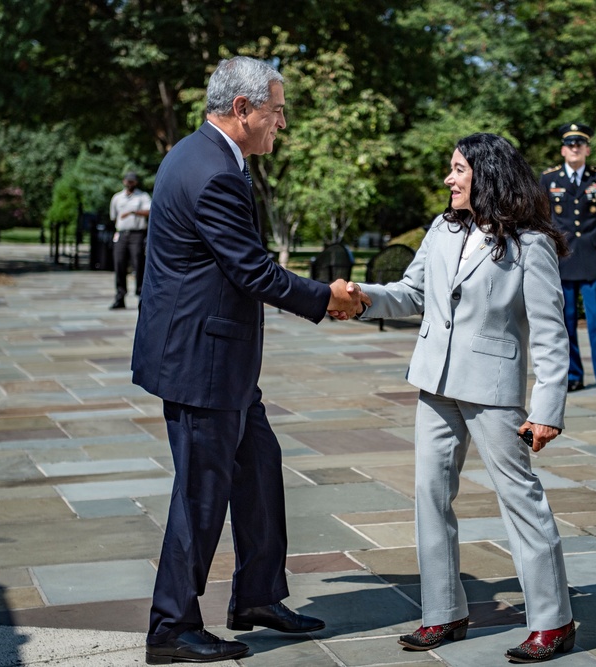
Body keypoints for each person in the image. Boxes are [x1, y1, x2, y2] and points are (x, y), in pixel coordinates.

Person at [131, 56, 364, 665]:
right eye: (277, 111)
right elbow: (251, 269)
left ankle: (257, 596)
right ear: (243, 109)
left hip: (216, 357)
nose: (281, 123)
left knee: (259, 467)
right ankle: (170, 626)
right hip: (202, 361)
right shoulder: (214, 173)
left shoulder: (198, 153)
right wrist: (326, 298)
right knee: (201, 495)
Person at [355, 133, 576, 663]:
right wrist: (361, 299)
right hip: (435, 384)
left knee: (519, 498)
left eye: (457, 169)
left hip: (494, 391)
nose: (448, 179)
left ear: (487, 173)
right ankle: (443, 611)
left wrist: (547, 409)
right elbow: (409, 293)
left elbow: (550, 333)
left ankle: (553, 621)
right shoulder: (442, 228)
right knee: (430, 495)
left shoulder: (531, 244)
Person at [540, 123, 596, 397]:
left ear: (587, 149)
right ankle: (573, 375)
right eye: (570, 145)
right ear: (563, 150)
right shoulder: (549, 180)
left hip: (593, 257)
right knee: (566, 321)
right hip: (563, 257)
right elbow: (544, 218)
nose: (575, 148)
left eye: (579, 144)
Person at [109, 172, 152, 309]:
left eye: (132, 181)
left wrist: (134, 212)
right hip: (122, 234)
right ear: (124, 182)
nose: (129, 183)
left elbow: (150, 211)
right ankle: (120, 296)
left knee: (138, 263)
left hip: (137, 234)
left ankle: (141, 295)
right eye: (128, 181)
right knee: (119, 264)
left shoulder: (142, 196)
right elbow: (114, 217)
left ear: (136, 182)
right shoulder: (117, 198)